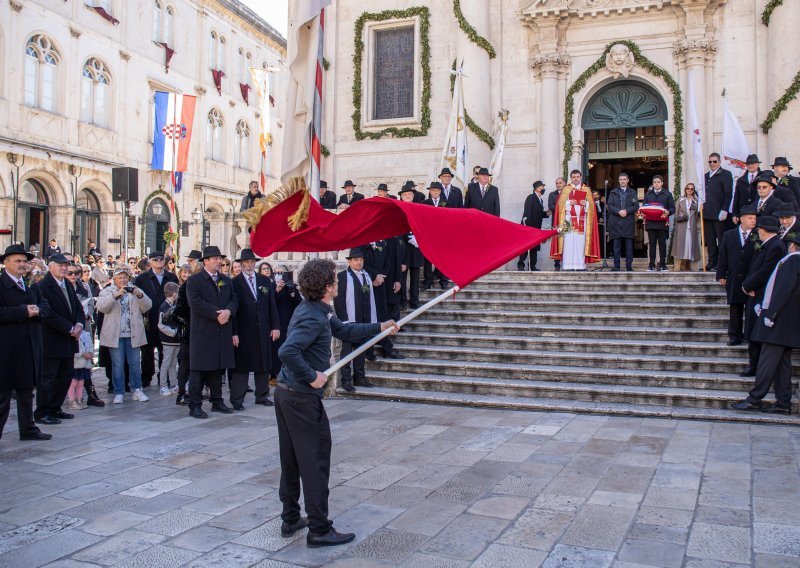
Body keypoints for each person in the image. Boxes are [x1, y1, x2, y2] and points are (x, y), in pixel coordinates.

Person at [275, 258, 398, 548]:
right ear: (328, 286)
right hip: (301, 398)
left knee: (292, 460)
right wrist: (311, 376)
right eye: (336, 279)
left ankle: (291, 518)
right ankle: (319, 528)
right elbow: (287, 351)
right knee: (315, 461)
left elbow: (344, 331)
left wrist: (380, 327)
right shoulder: (312, 316)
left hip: (289, 395)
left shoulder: (317, 309)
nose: (340, 282)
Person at [731, 233, 800, 415]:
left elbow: (782, 290)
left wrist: (770, 314)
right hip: (787, 321)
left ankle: (755, 398)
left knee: (767, 361)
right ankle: (783, 403)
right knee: (782, 364)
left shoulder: (792, 260)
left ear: (793, 245)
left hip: (779, 321)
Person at [0, 244, 52, 441]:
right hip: (7, 349)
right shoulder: (2, 284)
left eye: (24, 261)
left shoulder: (30, 285)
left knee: (26, 392)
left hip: (30, 347)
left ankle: (28, 428)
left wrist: (38, 311)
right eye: (17, 261)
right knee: (3, 396)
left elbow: (45, 305)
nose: (22, 265)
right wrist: (23, 311)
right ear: (6, 263)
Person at [185, 246, 238, 418]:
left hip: (222, 331)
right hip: (203, 332)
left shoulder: (226, 280)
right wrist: (217, 314)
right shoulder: (195, 281)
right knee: (198, 370)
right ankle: (195, 404)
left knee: (218, 367)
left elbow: (234, 299)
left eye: (219, 258)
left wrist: (228, 311)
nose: (218, 261)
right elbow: (196, 303)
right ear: (205, 261)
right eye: (214, 259)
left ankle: (217, 400)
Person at [34, 254, 85, 425]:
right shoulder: (42, 286)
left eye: (66, 265)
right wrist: (69, 328)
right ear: (50, 266)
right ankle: (43, 412)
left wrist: (79, 323)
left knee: (65, 375)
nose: (64, 268)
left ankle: (55, 407)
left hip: (69, 339)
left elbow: (77, 306)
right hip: (52, 339)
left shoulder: (68, 284)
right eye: (60, 265)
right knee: (48, 378)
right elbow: (47, 313)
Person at [230, 249, 280, 409]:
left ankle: (262, 395)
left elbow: (272, 305)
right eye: (246, 262)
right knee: (241, 366)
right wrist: (234, 332)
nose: (250, 265)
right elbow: (233, 310)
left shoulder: (264, 281)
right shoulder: (234, 283)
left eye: (252, 262)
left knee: (264, 363)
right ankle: (237, 400)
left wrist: (275, 326)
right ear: (241, 264)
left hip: (263, 328)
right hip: (244, 330)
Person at [96, 265, 152, 404]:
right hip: (115, 334)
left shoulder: (135, 289)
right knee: (117, 363)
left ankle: (137, 389)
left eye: (125, 277)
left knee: (134, 363)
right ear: (114, 278)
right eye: (120, 277)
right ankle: (119, 391)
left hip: (133, 333)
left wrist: (139, 295)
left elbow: (148, 306)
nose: (123, 280)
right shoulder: (108, 291)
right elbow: (102, 307)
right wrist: (116, 295)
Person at [740, 215, 787, 377]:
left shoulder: (776, 246)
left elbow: (766, 271)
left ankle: (756, 366)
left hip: (762, 294)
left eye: (759, 228)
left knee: (757, 331)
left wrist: (747, 285)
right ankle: (753, 365)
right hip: (755, 292)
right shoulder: (768, 244)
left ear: (763, 230)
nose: (757, 231)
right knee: (753, 331)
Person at [333, 249, 378, 392]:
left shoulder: (366, 275)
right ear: (349, 261)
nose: (359, 262)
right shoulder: (343, 276)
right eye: (356, 260)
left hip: (364, 319)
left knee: (361, 349)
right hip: (349, 322)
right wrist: (344, 321)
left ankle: (359, 377)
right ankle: (346, 380)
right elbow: (338, 301)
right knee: (347, 351)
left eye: (361, 260)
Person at [134, 251, 179, 389]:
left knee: (164, 350)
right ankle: (146, 376)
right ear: (150, 261)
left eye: (161, 259)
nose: (159, 261)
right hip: (149, 318)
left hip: (167, 319)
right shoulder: (142, 278)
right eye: (155, 259)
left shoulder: (171, 277)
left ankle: (163, 378)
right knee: (147, 350)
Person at [716, 204, 757, 346]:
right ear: (741, 219)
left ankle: (750, 334)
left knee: (751, 307)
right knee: (735, 307)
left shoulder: (758, 235)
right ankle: (734, 335)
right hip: (734, 276)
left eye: (754, 218)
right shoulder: (729, 235)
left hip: (751, 277)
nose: (753, 221)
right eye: (750, 218)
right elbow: (723, 255)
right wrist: (721, 274)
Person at [550, 170, 601, 270]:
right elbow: (559, 207)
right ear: (571, 178)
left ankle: (580, 265)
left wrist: (585, 204)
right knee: (567, 242)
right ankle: (567, 265)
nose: (576, 179)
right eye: (574, 177)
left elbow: (592, 207)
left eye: (577, 176)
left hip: (582, 219)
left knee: (580, 243)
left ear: (580, 177)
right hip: (568, 220)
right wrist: (569, 202)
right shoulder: (565, 190)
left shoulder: (587, 190)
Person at [362, 240, 403, 361]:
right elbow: (360, 264)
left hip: (380, 285)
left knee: (382, 316)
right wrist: (374, 276)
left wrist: (381, 276)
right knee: (369, 317)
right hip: (366, 286)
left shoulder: (381, 244)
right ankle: (369, 350)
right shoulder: (361, 244)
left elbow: (387, 261)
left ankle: (387, 348)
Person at [702, 152, 734, 270]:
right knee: (710, 241)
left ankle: (721, 264)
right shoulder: (705, 176)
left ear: (719, 162)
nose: (712, 164)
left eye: (714, 161)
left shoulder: (725, 174)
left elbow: (728, 194)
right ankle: (711, 262)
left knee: (721, 241)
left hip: (719, 214)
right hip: (707, 214)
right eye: (710, 161)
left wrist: (724, 209)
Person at [271, 265, 301, 384]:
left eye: (282, 273)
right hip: (276, 321)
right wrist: (277, 289)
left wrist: (293, 291)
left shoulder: (290, 286)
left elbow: (298, 302)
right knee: (276, 348)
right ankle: (274, 374)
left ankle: (287, 373)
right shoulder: (272, 286)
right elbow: (270, 301)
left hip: (289, 320)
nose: (280, 275)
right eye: (277, 273)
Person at [606, 173, 639, 271]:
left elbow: (636, 206)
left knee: (629, 247)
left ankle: (629, 266)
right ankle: (617, 266)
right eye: (621, 179)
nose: (622, 181)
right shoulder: (613, 192)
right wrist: (618, 212)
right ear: (618, 180)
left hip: (628, 222)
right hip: (616, 222)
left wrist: (627, 211)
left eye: (624, 179)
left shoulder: (632, 192)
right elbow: (610, 205)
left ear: (628, 180)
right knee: (616, 247)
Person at [642, 175, 675, 271]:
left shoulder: (667, 194)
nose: (656, 184)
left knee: (662, 245)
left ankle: (663, 265)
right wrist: (643, 214)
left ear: (662, 183)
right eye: (654, 182)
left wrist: (668, 212)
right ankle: (651, 265)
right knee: (651, 245)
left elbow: (672, 207)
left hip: (662, 223)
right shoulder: (648, 194)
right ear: (652, 184)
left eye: (658, 182)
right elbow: (644, 207)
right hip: (651, 223)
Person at [399, 186, 423, 308]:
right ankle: (403, 301)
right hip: (403, 249)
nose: (407, 196)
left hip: (416, 248)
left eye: (409, 194)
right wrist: (409, 237)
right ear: (402, 197)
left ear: (413, 196)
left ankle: (415, 301)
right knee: (402, 277)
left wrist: (418, 238)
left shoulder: (417, 208)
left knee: (415, 277)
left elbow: (421, 224)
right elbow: (398, 227)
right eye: (405, 194)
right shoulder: (399, 209)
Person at [422, 182, 449, 289]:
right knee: (428, 259)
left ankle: (444, 280)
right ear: (430, 191)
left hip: (442, 235)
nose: (435, 192)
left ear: (440, 192)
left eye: (437, 190)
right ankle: (428, 281)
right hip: (428, 235)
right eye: (433, 190)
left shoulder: (446, 203)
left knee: (442, 258)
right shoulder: (424, 203)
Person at [156, 281, 181, 396]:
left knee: (173, 363)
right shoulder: (164, 307)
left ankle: (173, 384)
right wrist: (174, 332)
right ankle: (163, 385)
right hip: (168, 340)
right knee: (166, 363)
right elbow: (161, 325)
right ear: (174, 294)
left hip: (175, 341)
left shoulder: (173, 306)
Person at [518, 180, 548, 271]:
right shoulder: (531, 197)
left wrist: (546, 213)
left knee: (534, 247)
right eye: (542, 187)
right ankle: (521, 264)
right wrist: (527, 226)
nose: (543, 188)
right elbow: (527, 212)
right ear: (537, 188)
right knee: (525, 247)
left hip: (536, 227)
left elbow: (538, 213)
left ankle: (532, 266)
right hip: (529, 227)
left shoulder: (540, 200)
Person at [672, 183, 701, 271]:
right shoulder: (680, 200)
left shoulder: (696, 201)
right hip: (681, 226)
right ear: (685, 189)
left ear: (693, 190)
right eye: (688, 188)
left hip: (691, 226)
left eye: (691, 189)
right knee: (681, 246)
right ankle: (679, 265)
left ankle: (685, 264)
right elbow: (676, 213)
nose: (689, 190)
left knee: (689, 246)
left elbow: (697, 216)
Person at [68, 328, 93, 410]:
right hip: (75, 363)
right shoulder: (71, 333)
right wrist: (83, 353)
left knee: (81, 382)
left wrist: (90, 353)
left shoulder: (86, 334)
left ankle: (80, 399)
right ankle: (72, 401)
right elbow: (73, 349)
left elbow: (90, 346)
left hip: (84, 363)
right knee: (73, 382)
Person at [732, 154, 762, 220]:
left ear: (758, 164)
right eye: (748, 164)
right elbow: (736, 198)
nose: (750, 166)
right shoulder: (740, 180)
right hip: (743, 214)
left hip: (758, 214)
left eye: (753, 163)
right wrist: (735, 214)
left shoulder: (763, 177)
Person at [548, 177, 566, 270]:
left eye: (560, 183)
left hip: (567, 222)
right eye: (557, 183)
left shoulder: (569, 194)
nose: (558, 184)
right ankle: (557, 264)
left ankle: (567, 263)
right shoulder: (552, 194)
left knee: (567, 243)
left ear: (564, 183)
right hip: (556, 222)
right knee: (556, 243)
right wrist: (563, 208)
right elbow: (551, 206)